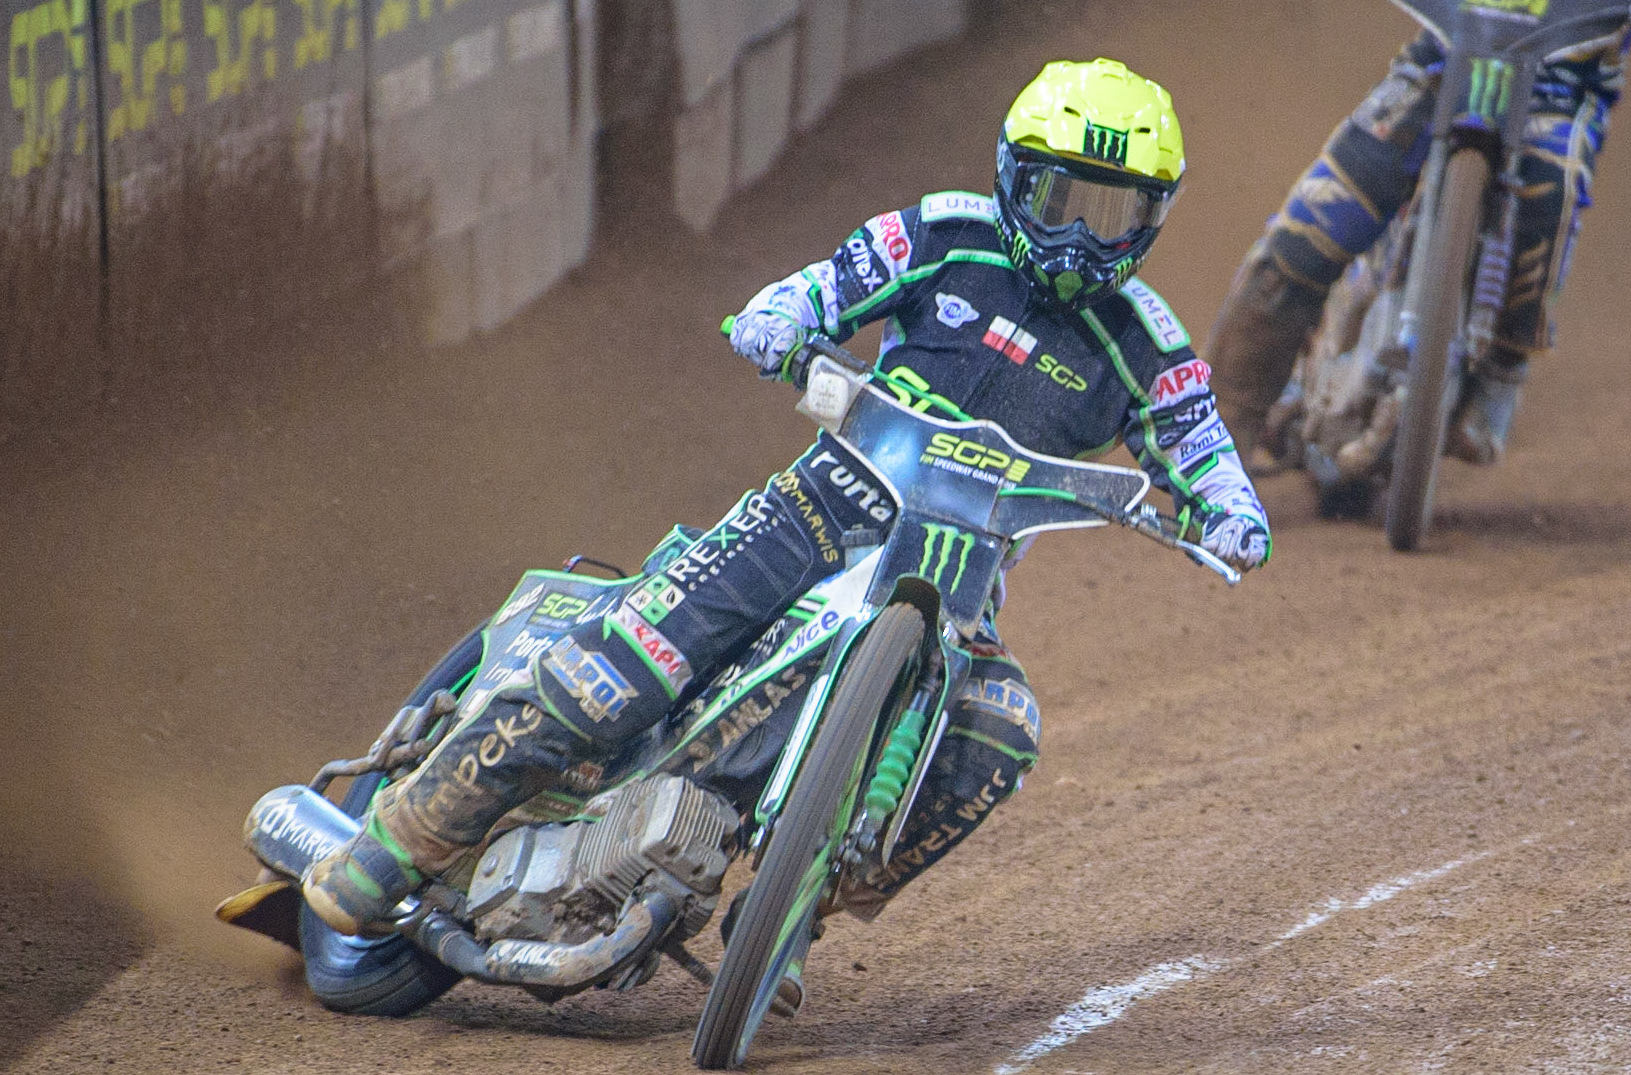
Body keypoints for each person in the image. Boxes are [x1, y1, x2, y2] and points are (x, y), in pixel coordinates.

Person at [302, 58, 1271, 945]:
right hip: (820, 509)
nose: (1077, 234)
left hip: (959, 588)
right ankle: (405, 836)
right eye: (1061, 198)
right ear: (1015, 178)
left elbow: (1203, 448)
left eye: (1110, 212)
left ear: (1152, 220)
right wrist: (785, 330)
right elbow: (804, 294)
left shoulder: (1147, 346)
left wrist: (1233, 513)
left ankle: (800, 904)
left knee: (1006, 725)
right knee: (630, 669)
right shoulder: (943, 233)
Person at [1207, 1, 1631, 466]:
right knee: (1314, 227)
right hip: (1441, 64)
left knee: (1551, 190)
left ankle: (1499, 373)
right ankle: (1223, 425)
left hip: (1561, 89)